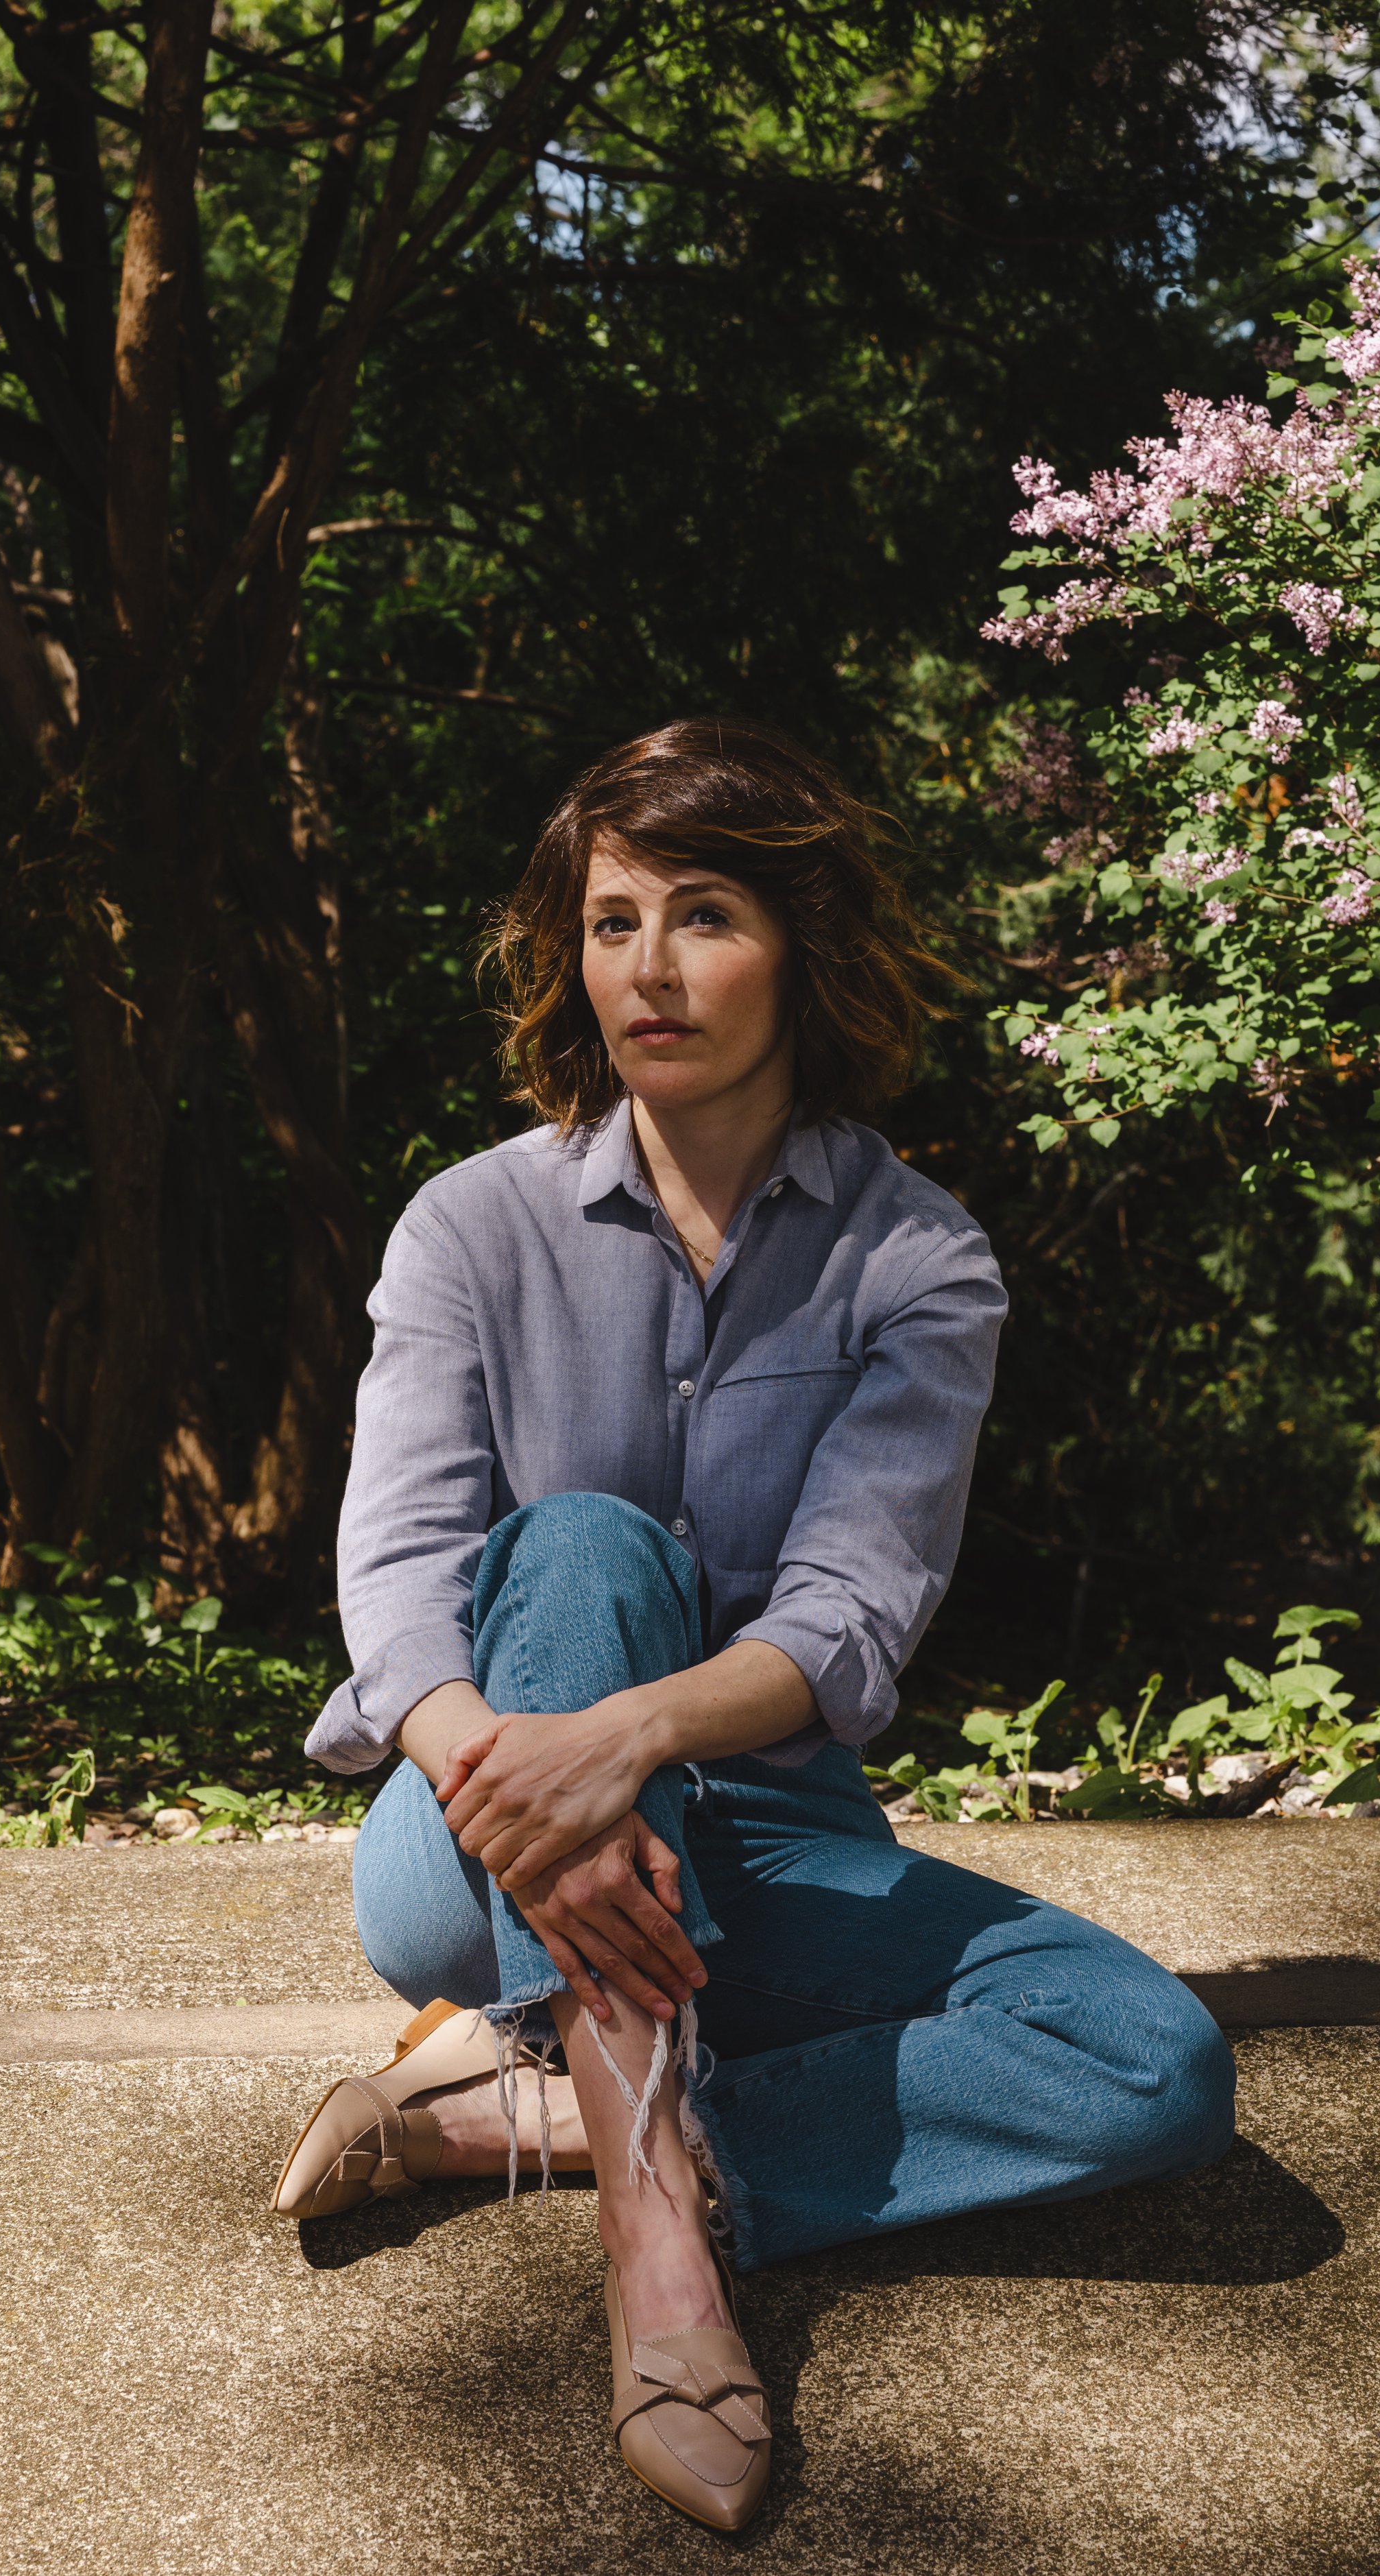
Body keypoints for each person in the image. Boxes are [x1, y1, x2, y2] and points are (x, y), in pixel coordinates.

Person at [271, 719, 1236, 2532]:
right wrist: (522, 1777)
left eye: (700, 914)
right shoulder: (471, 1230)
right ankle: (658, 2247)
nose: (644, 966)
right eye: (610, 917)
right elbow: (397, 1583)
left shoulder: (915, 1260)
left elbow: (851, 1620)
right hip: (457, 1836)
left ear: (800, 944)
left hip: (769, 1840)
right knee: (575, 1546)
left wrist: (631, 1740)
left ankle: (503, 2119)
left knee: (1149, 2059)